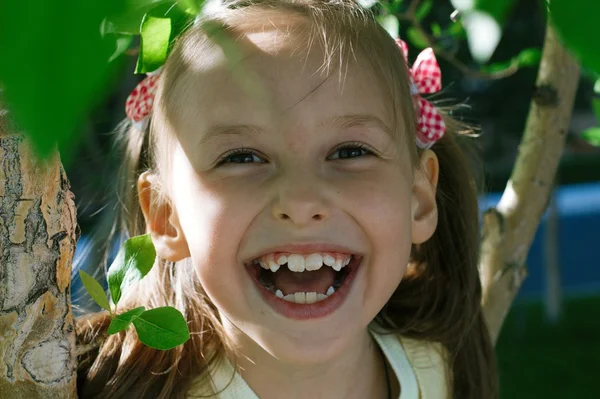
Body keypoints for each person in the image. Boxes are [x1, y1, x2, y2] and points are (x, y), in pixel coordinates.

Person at [76, 0, 498, 398]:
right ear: (167, 218)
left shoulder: (438, 370)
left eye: (349, 152)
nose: (300, 200)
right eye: (241, 157)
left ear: (417, 197)